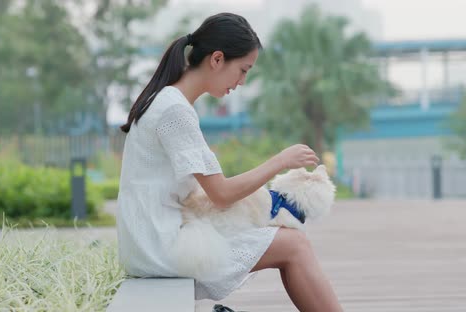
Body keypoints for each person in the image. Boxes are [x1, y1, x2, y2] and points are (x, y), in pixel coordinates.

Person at [117, 12, 342, 311]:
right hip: (161, 247)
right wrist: (280, 161)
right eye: (243, 69)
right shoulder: (175, 110)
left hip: (154, 239)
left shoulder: (167, 100)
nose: (242, 81)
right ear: (217, 59)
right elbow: (220, 194)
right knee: (294, 246)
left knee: (288, 241)